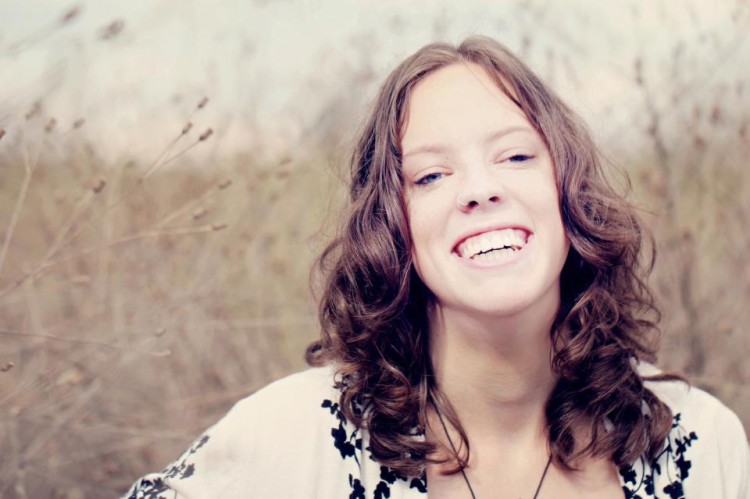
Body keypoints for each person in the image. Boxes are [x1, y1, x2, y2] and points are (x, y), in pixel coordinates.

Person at [124, 36, 749, 499]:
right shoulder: (291, 440)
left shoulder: (698, 443)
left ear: (570, 195)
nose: (478, 190)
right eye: (429, 175)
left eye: (514, 156)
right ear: (393, 233)